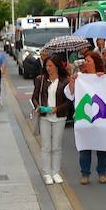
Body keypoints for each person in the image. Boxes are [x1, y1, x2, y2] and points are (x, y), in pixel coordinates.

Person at [65, 51, 106, 184]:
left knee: (102, 147)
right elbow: (70, 94)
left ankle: (102, 172)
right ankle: (85, 173)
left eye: (88, 61)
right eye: (85, 60)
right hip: (84, 117)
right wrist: (72, 81)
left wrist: (104, 78)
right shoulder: (80, 77)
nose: (85, 63)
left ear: (96, 62)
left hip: (100, 117)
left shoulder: (104, 77)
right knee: (85, 147)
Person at [33, 55, 71, 185]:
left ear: (56, 66)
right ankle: (47, 173)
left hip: (59, 117)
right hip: (45, 117)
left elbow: (69, 101)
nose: (48, 68)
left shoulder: (65, 80)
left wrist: (57, 109)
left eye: (50, 65)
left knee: (56, 146)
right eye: (46, 65)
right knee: (46, 146)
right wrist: (38, 107)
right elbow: (34, 97)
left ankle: (55, 172)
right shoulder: (40, 79)